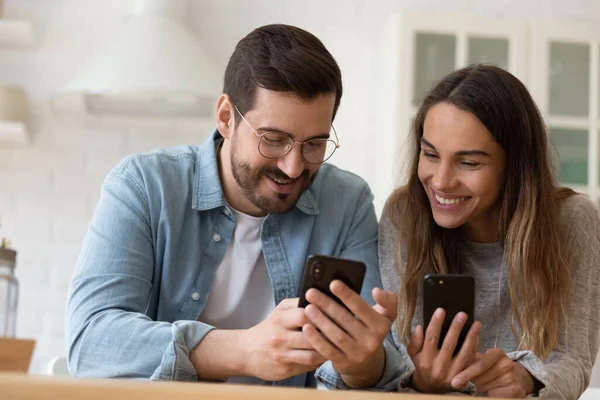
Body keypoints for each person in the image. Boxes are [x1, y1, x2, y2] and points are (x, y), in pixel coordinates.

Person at [66, 24, 400, 388]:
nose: (294, 167)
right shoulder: (144, 186)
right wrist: (242, 349)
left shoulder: (347, 202)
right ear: (227, 117)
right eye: (274, 140)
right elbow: (91, 342)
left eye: (314, 144)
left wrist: (363, 363)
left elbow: (373, 369)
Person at [321, 64, 600, 397]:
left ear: (514, 166)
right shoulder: (403, 214)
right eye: (430, 154)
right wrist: (422, 381)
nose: (441, 181)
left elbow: (572, 359)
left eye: (469, 163)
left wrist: (528, 379)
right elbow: (401, 361)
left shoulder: (571, 220)